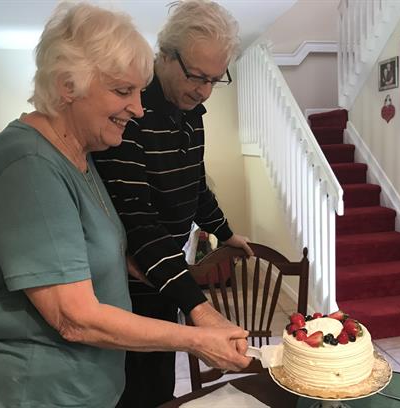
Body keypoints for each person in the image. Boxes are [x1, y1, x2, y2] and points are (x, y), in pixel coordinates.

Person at [0, 3, 250, 408]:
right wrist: (198, 335)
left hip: (88, 386)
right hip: (34, 392)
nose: (138, 109)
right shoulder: (28, 166)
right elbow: (73, 317)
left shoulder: (81, 156)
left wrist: (146, 271)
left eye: (139, 92)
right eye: (123, 91)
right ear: (68, 85)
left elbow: (98, 247)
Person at [93, 0, 254, 406]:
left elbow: (194, 183)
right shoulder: (128, 113)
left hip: (166, 275)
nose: (204, 91)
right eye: (197, 76)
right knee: (133, 391)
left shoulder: (191, 110)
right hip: (130, 283)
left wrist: (225, 232)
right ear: (164, 55)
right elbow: (138, 223)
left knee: (161, 384)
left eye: (215, 80)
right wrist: (200, 310)